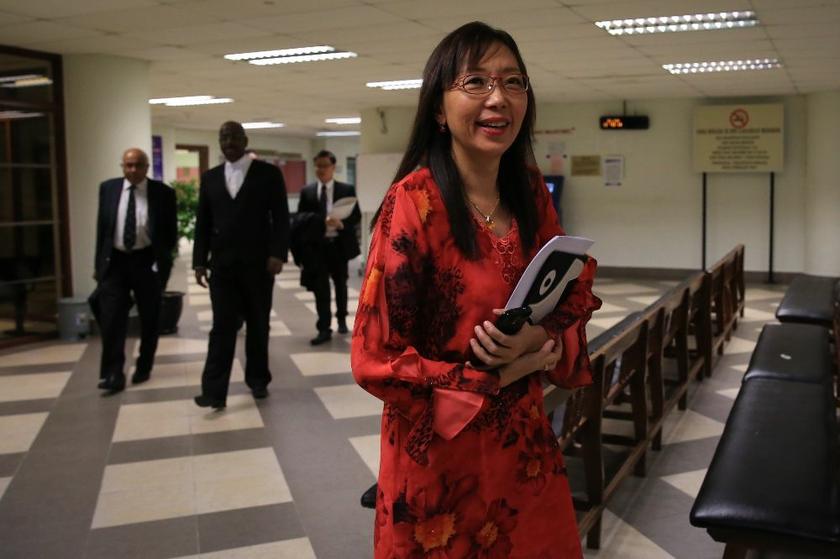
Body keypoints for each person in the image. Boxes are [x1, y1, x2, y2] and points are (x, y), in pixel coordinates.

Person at [351, 22, 601, 558]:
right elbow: (375, 357)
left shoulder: (530, 191)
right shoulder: (413, 204)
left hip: (525, 453)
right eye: (475, 83)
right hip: (442, 465)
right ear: (439, 110)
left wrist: (538, 339)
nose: (499, 98)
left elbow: (572, 291)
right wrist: (502, 373)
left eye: (514, 82)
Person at [192, 121, 289, 409]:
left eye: (234, 136)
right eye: (223, 136)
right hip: (222, 266)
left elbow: (281, 217)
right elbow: (203, 223)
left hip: (259, 264)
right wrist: (199, 261)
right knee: (221, 327)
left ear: (245, 139)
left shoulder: (268, 174)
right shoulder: (210, 178)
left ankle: (258, 380)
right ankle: (213, 391)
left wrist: (278, 254)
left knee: (258, 325)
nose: (229, 141)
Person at [92, 148, 177, 393]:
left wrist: (162, 263)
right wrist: (98, 266)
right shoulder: (108, 188)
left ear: (147, 167)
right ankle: (113, 373)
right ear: (122, 166)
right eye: (128, 165)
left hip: (146, 261)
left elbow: (169, 234)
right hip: (115, 262)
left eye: (138, 165)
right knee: (111, 320)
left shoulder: (163, 193)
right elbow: (102, 230)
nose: (132, 170)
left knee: (149, 318)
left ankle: (144, 366)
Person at [296, 150, 361, 345]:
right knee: (320, 288)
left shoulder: (346, 189)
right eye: (318, 166)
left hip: (338, 245)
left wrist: (342, 224)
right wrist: (318, 221)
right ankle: (324, 328)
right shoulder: (307, 191)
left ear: (333, 167)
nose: (321, 169)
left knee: (341, 283)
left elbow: (355, 216)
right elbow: (300, 218)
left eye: (325, 165)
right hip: (317, 247)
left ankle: (342, 319)